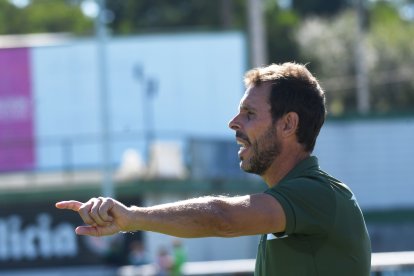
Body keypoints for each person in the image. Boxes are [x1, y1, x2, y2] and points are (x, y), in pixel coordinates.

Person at [56, 62, 371, 275]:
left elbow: (222, 218)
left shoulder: (319, 194)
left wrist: (130, 217)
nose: (233, 123)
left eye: (249, 113)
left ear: (288, 124)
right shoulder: (292, 200)